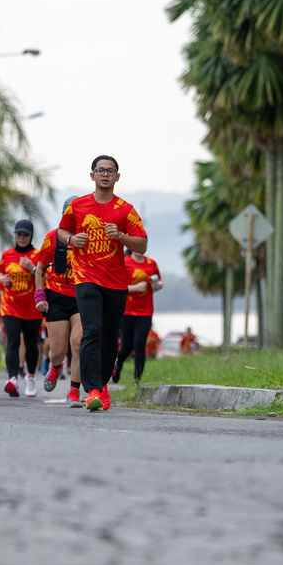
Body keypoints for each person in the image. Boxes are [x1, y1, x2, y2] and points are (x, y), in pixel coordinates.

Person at [58, 155, 147, 412]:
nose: (105, 174)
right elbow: (62, 231)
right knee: (92, 330)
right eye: (100, 170)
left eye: (110, 170)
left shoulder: (125, 209)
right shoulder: (77, 206)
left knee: (109, 338)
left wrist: (121, 236)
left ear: (117, 176)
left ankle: (103, 384)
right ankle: (93, 390)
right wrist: (72, 239)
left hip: (116, 282)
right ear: (92, 175)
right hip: (86, 277)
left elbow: (142, 244)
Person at [35, 196, 84, 406]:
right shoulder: (53, 237)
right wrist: (40, 296)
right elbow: (40, 268)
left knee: (78, 343)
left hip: (82, 296)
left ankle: (74, 391)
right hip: (57, 296)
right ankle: (55, 367)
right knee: (57, 352)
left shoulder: (89, 237)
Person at [0, 220, 43, 398]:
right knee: (13, 341)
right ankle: (12, 379)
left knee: (31, 344)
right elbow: (0, 271)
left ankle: (30, 377)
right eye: (19, 234)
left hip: (32, 307)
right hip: (10, 305)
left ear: (31, 236)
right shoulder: (7, 254)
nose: (22, 238)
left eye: (25, 235)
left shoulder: (37, 255)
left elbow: (47, 276)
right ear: (15, 235)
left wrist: (33, 268)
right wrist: (2, 278)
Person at [112, 250, 163, 386]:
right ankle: (118, 363)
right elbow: (116, 285)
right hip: (127, 311)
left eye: (143, 243)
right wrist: (134, 288)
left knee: (139, 343)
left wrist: (158, 285)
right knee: (127, 346)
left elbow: (158, 282)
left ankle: (137, 380)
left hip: (145, 311)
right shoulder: (124, 262)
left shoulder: (152, 263)